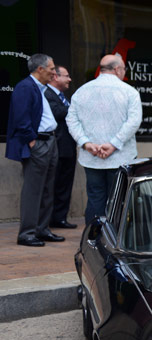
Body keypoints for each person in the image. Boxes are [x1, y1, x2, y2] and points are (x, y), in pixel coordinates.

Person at [66, 54, 142, 224]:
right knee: (119, 200)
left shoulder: (82, 91)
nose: (124, 72)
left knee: (95, 197)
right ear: (117, 69)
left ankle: (93, 239)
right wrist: (114, 144)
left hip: (92, 156)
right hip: (121, 156)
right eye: (123, 69)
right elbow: (134, 121)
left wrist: (86, 143)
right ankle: (115, 239)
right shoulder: (129, 92)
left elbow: (71, 119)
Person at [5, 53, 63, 246]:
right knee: (33, 189)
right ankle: (27, 233)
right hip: (38, 143)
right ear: (40, 69)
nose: (54, 73)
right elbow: (21, 119)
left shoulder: (41, 88)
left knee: (48, 188)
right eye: (52, 69)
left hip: (50, 141)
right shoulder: (25, 87)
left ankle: (42, 229)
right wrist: (32, 141)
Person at [44, 65, 78, 229]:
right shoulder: (46, 94)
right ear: (56, 77)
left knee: (65, 184)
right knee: (53, 185)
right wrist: (76, 108)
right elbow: (56, 113)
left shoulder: (63, 97)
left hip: (68, 147)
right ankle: (49, 219)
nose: (69, 79)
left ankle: (60, 218)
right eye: (67, 76)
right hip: (56, 147)